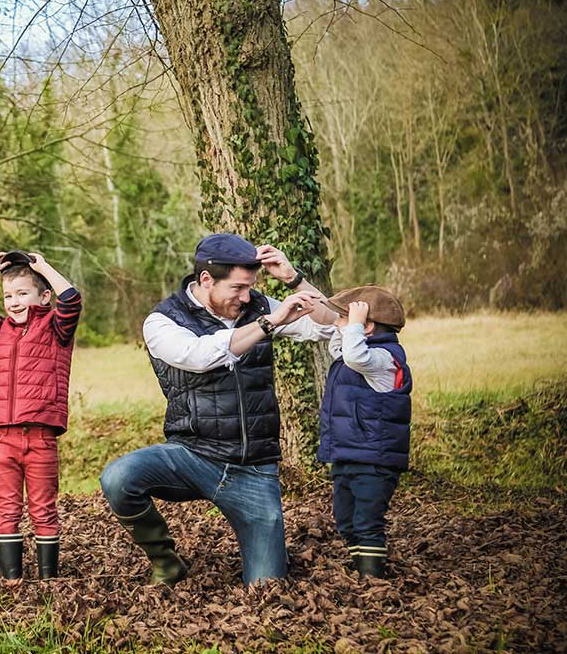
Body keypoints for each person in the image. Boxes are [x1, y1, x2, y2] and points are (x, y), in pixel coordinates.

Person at [99, 233, 338, 586]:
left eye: (250, 288)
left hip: (254, 468)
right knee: (118, 478)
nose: (246, 297)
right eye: (238, 288)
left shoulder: (257, 306)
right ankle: (166, 560)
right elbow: (201, 356)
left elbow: (331, 323)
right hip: (193, 455)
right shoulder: (164, 321)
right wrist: (269, 323)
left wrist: (293, 279)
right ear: (206, 280)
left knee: (266, 587)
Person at [0, 250, 82, 583]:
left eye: (22, 294)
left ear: (43, 296)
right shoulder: (2, 330)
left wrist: (43, 268)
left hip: (40, 436)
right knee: (7, 508)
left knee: (43, 508)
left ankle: (48, 578)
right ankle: (11, 579)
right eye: (8, 296)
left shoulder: (56, 328)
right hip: (2, 437)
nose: (13, 302)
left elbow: (70, 299)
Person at [317, 286, 412, 578]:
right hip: (349, 454)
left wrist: (354, 324)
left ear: (366, 327)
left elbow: (355, 356)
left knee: (366, 521)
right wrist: (341, 325)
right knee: (345, 520)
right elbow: (341, 351)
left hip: (375, 459)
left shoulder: (383, 358)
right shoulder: (358, 352)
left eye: (346, 319)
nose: (339, 324)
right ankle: (361, 567)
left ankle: (372, 579)